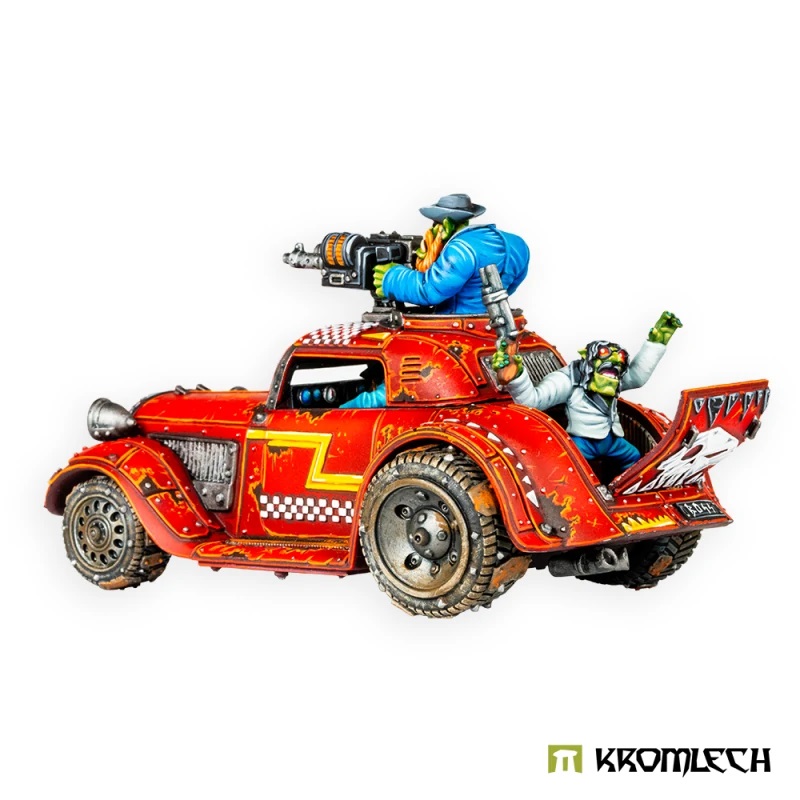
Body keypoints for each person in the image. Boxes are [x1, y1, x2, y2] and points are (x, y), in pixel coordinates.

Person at [492, 312, 682, 475]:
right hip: (582, 443)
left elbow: (636, 377)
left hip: (612, 441)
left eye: (619, 362)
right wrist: (516, 376)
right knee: (569, 467)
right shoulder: (569, 379)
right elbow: (531, 402)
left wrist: (657, 342)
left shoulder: (612, 380)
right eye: (605, 357)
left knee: (632, 457)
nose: (615, 365)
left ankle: (624, 489)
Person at [374, 193, 529, 314]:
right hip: (491, 322)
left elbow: (429, 291)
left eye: (435, 225)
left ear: (446, 226)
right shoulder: (517, 244)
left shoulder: (460, 249)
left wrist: (389, 277)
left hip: (457, 326)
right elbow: (508, 288)